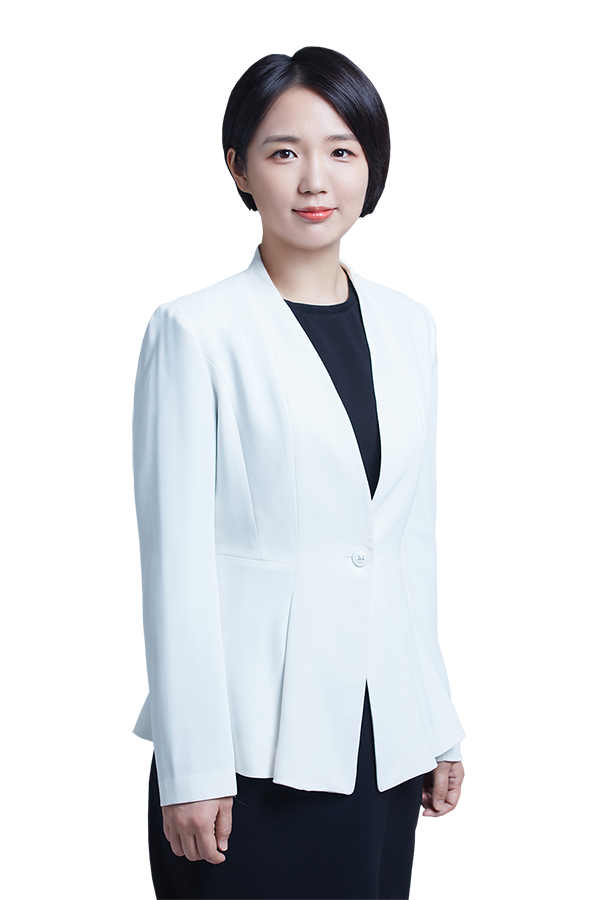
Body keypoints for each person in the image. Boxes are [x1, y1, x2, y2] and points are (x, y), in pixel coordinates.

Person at [133, 47, 465, 900]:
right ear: (239, 168)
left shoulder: (409, 325)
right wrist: (190, 766)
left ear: (370, 166)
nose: (315, 179)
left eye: (341, 150)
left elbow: (405, 545)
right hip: (253, 746)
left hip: (383, 733)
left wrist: (440, 724)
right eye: (284, 151)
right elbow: (175, 564)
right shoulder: (197, 331)